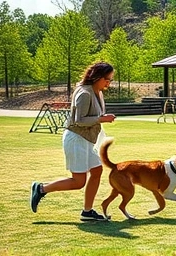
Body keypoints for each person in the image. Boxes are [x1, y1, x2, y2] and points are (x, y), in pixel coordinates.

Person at [30, 62, 116, 221]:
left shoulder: (97, 92)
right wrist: (102, 119)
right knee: (78, 182)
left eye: (110, 80)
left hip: (88, 139)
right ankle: (41, 188)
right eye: (107, 79)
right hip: (77, 139)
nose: (109, 83)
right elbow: (79, 120)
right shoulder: (84, 93)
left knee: (97, 171)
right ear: (97, 77)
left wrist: (101, 119)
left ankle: (87, 211)